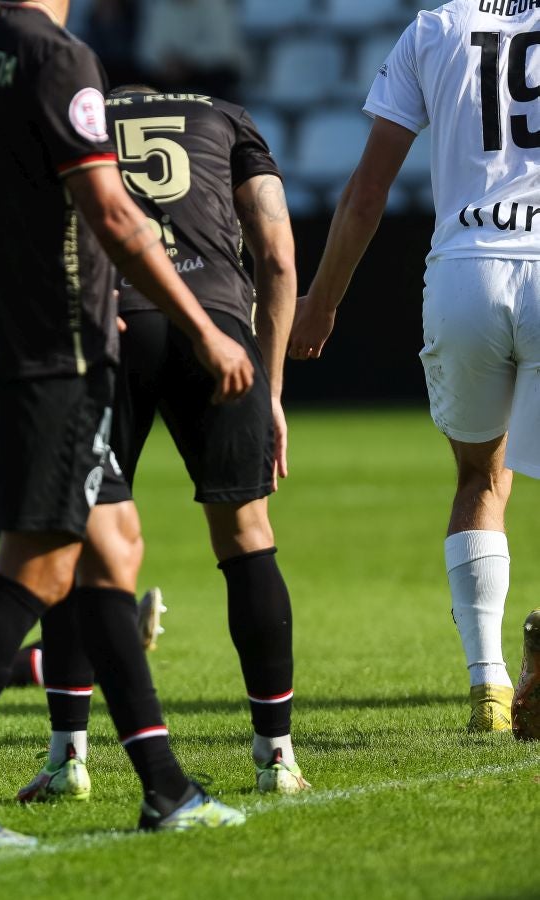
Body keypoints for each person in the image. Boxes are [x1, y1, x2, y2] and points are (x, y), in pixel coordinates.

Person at [0, 0, 255, 849]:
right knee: (38, 563)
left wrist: (19, 279)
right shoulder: (58, 57)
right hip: (54, 359)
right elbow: (115, 215)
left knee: (111, 548)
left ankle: (165, 787)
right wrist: (203, 330)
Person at [17, 84, 307, 806]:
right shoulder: (226, 117)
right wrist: (270, 391)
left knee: (76, 541)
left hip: (110, 329)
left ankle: (68, 757)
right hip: (215, 326)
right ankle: (276, 756)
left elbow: (32, 237)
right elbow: (276, 257)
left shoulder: (76, 123)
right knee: (246, 534)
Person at [289, 1, 540, 741]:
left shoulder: (434, 28)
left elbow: (367, 194)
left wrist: (321, 302)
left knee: (480, 479)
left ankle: (489, 684)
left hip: (466, 272)